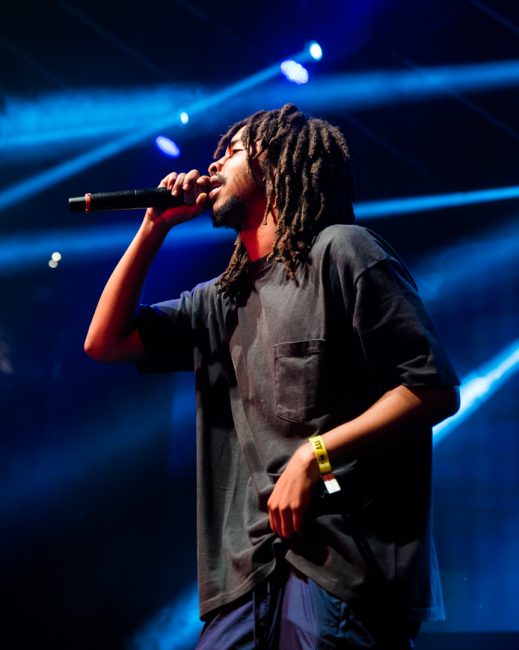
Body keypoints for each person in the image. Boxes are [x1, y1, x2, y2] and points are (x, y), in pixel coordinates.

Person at [85, 103, 460, 649]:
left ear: (276, 165)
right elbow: (104, 342)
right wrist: (153, 229)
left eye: (233, 152)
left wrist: (315, 456)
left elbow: (432, 388)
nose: (214, 166)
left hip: (336, 566)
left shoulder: (343, 251)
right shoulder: (222, 300)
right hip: (245, 578)